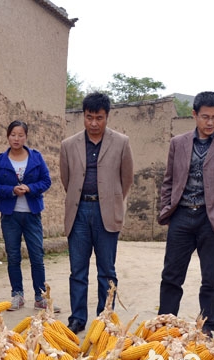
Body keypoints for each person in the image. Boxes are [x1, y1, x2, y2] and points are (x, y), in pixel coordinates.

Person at [157, 91, 214, 337]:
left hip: (213, 219)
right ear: (194, 114)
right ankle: (165, 325)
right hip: (181, 215)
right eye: (205, 117)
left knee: (210, 278)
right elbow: (168, 181)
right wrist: (167, 209)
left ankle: (207, 328)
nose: (210, 122)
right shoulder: (178, 143)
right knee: (171, 275)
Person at [59, 92, 134, 334]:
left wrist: (111, 200)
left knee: (107, 271)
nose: (93, 123)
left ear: (107, 116)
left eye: (99, 118)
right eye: (89, 117)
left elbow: (126, 178)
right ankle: (77, 318)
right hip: (79, 211)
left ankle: (105, 317)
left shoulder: (121, 142)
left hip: (106, 212)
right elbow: (66, 179)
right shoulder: (68, 145)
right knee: (78, 271)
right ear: (83, 116)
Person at [0, 120, 59, 312]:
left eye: (20, 135)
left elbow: (46, 181)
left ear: (26, 137)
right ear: (8, 136)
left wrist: (29, 188)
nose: (16, 138)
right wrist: (11, 190)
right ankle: (17, 295)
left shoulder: (36, 157)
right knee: (13, 256)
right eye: (13, 135)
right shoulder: (0, 160)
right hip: (10, 215)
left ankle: (40, 297)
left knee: (37, 255)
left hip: (32, 214)